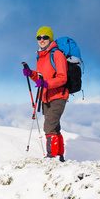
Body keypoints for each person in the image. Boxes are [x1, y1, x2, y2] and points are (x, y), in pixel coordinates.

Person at [23, 26, 68, 162]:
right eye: (39, 37)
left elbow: (63, 78)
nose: (42, 40)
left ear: (50, 38)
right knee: (54, 127)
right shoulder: (40, 56)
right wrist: (31, 74)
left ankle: (52, 157)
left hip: (58, 95)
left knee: (49, 126)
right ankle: (59, 156)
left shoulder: (57, 55)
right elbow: (41, 79)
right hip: (46, 97)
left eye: (45, 37)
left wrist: (47, 84)